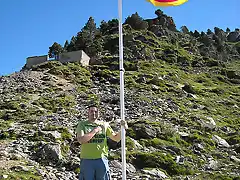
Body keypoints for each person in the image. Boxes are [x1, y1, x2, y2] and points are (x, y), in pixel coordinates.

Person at [76, 104, 128, 180]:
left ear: (99, 113)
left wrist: (123, 129)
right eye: (91, 111)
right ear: (88, 112)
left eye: (96, 111)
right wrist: (95, 131)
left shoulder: (104, 125)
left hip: (101, 159)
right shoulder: (82, 124)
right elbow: (81, 140)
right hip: (87, 159)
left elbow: (116, 138)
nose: (94, 113)